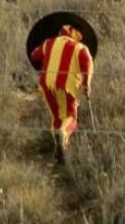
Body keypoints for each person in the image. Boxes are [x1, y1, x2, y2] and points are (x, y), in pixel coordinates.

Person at [29, 25, 94, 162]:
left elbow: (34, 55)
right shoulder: (80, 48)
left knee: (57, 118)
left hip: (46, 84)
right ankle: (62, 136)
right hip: (65, 87)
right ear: (76, 37)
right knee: (71, 118)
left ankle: (60, 154)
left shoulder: (48, 43)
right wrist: (86, 83)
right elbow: (87, 64)